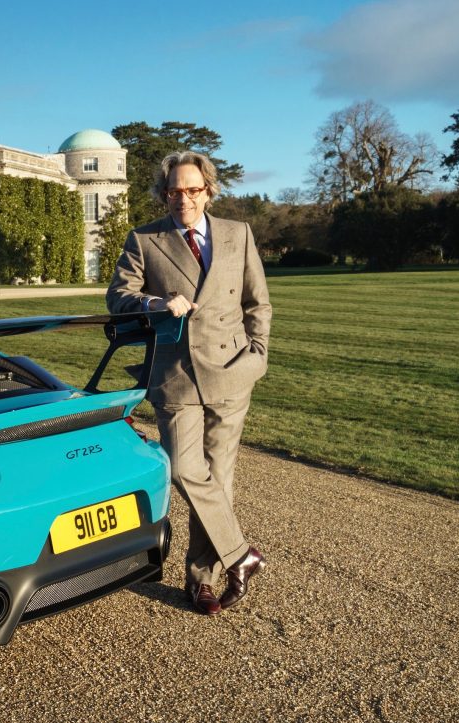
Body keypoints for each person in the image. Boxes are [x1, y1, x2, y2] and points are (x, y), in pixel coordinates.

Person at [106, 150, 272, 616]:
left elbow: (258, 302)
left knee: (218, 478)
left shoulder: (238, 234)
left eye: (192, 190)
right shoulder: (145, 239)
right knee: (183, 470)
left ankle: (202, 579)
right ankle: (241, 553)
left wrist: (257, 357)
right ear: (164, 194)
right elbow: (119, 297)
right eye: (175, 191)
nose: (184, 199)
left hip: (233, 371)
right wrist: (158, 302)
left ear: (208, 191)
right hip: (175, 375)